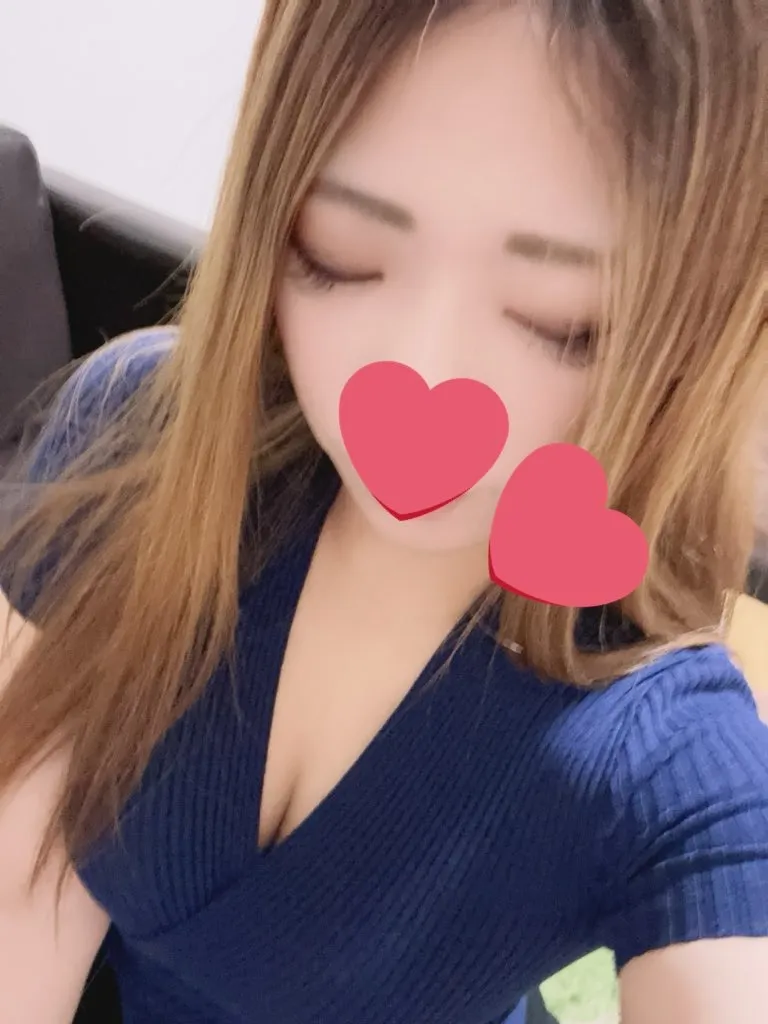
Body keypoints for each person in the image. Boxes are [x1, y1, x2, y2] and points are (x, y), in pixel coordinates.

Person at [0, 2, 766, 1023]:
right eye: (341, 251)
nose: (419, 374)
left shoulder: (660, 746)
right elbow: (22, 887)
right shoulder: (141, 436)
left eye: (564, 321)